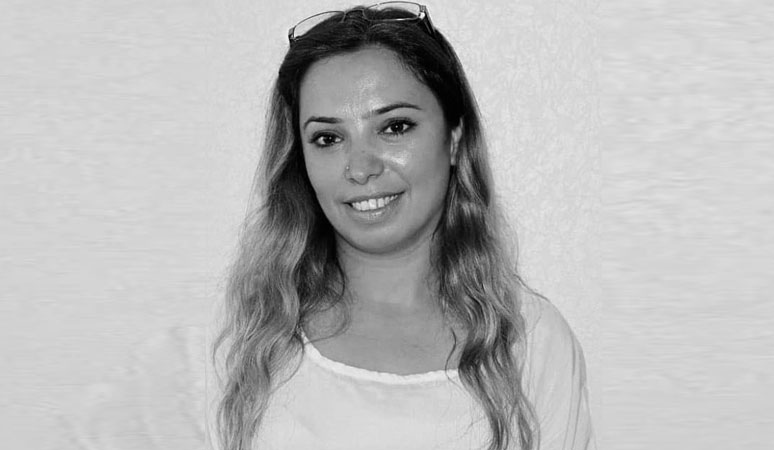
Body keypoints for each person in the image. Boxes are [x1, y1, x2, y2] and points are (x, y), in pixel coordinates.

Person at [209, 3, 595, 450]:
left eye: (394, 127)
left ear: (454, 139)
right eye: (328, 138)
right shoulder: (247, 335)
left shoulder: (532, 341)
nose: (360, 168)